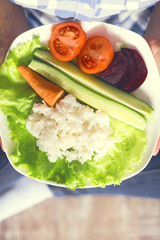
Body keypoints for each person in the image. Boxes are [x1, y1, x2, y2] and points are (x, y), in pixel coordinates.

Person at [0, 0, 160, 198]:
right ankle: (52, 189)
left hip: (139, 22)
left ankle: (47, 189)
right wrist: (6, 26)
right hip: (32, 21)